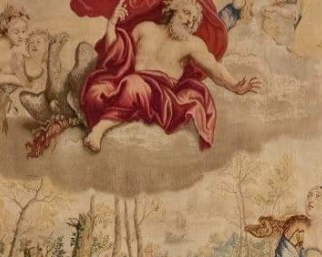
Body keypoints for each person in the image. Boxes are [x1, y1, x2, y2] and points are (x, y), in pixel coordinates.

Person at [80, 0, 260, 153]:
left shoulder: (192, 44)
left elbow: (215, 69)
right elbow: (117, 54)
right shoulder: (145, 29)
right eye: (186, 13)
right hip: (129, 87)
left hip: (160, 100)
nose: (189, 21)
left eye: (194, 19)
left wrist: (235, 86)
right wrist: (111, 25)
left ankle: (99, 130)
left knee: (135, 84)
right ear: (174, 8)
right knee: (96, 90)